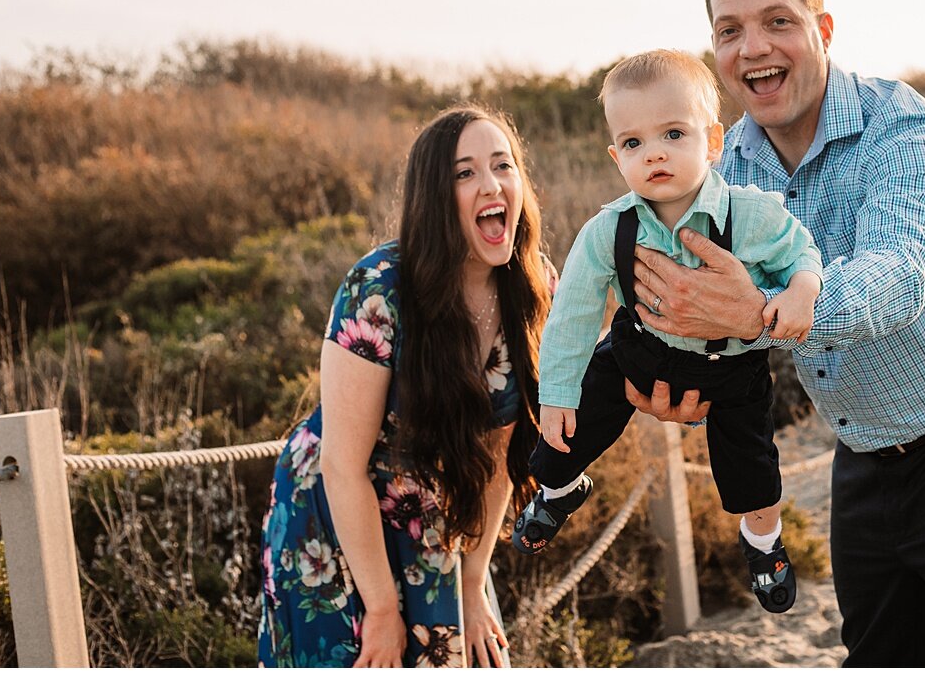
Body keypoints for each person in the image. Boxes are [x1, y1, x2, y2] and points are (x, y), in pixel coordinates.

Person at [626, 0, 925, 667]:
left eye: (777, 21)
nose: (754, 47)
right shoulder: (723, 165)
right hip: (862, 450)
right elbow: (673, 274)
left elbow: (896, 275)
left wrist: (755, 312)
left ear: (823, 30)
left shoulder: (911, 134)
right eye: (730, 30)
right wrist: (675, 368)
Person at [510, 49, 822, 614]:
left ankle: (762, 542)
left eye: (673, 134)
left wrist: (800, 291)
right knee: (560, 438)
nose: (653, 152)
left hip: (733, 367)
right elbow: (574, 315)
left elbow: (802, 255)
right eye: (633, 143)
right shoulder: (610, 229)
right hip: (639, 351)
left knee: (752, 470)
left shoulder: (750, 214)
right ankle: (559, 490)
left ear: (713, 140)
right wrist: (556, 393)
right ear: (615, 156)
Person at [258, 106, 550, 668]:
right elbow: (342, 466)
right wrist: (384, 610)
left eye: (502, 166)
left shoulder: (534, 289)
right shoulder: (378, 289)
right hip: (338, 521)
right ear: (434, 197)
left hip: (442, 526)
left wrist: (473, 577)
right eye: (465, 173)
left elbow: (496, 458)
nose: (491, 184)